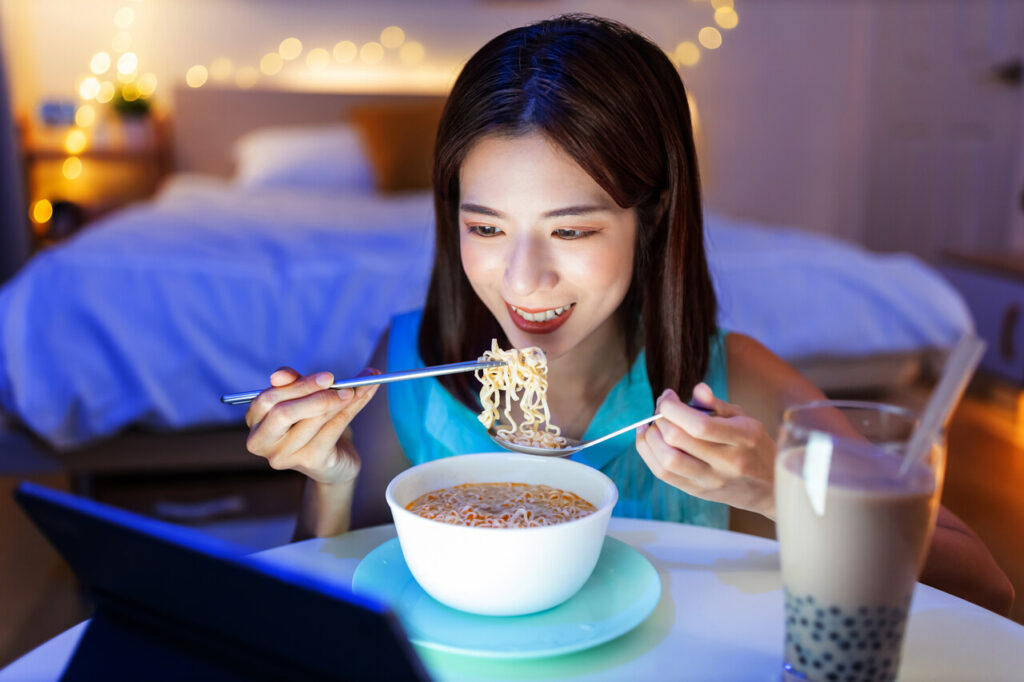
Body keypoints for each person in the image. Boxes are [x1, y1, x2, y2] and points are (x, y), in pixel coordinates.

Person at [244, 14, 1013, 614]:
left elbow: (988, 588)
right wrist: (330, 482)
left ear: (652, 216)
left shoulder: (731, 381)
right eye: (487, 228)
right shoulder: (409, 362)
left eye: (572, 231)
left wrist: (771, 493)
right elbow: (320, 611)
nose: (524, 280)